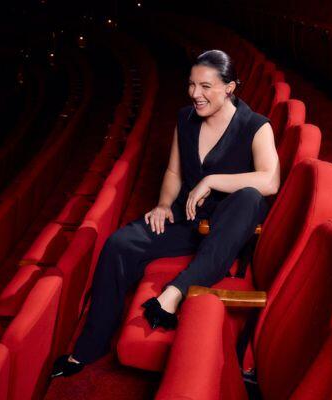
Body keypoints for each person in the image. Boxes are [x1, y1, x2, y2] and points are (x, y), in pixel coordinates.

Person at [51, 49, 280, 377]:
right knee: (119, 245)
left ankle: (175, 292)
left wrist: (212, 180)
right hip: (186, 217)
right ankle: (90, 346)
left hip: (224, 229)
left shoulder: (256, 125)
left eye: (205, 86)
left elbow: (270, 180)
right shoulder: (185, 119)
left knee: (250, 197)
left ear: (229, 88)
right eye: (191, 85)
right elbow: (173, 172)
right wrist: (162, 204)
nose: (195, 94)